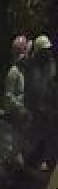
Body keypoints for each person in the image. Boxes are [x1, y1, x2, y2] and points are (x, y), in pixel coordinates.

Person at [27, 35, 57, 169]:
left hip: (49, 106)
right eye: (45, 50)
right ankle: (40, 160)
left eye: (48, 50)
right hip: (37, 108)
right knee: (43, 133)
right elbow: (36, 88)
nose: (48, 53)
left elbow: (51, 84)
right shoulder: (34, 67)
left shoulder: (51, 64)